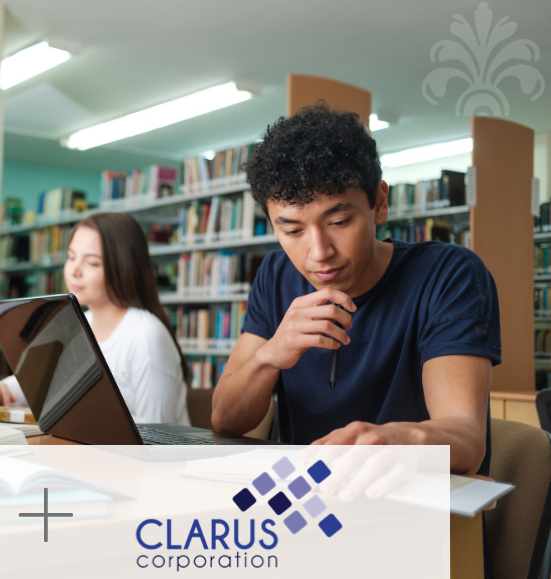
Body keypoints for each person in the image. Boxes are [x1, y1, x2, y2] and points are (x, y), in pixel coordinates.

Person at [210, 103, 496, 478]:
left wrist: (398, 440)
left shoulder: (448, 274)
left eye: (340, 221)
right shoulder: (276, 273)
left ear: (378, 203)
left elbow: (467, 440)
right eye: (292, 230)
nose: (319, 253)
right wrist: (270, 355)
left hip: (412, 513)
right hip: (306, 505)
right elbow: (224, 419)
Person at [0, 212, 191, 425]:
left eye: (92, 263)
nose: (74, 271)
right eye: (71, 257)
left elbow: (159, 432)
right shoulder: (70, 323)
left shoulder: (146, 335)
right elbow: (29, 383)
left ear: (124, 267)